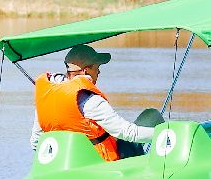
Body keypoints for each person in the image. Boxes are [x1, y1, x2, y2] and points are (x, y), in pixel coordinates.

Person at [30, 43, 159, 161]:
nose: (99, 72)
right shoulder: (90, 100)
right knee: (151, 115)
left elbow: (35, 142)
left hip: (68, 162)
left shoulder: (47, 97)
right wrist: (164, 134)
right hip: (104, 163)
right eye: (97, 67)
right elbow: (128, 132)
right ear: (86, 70)